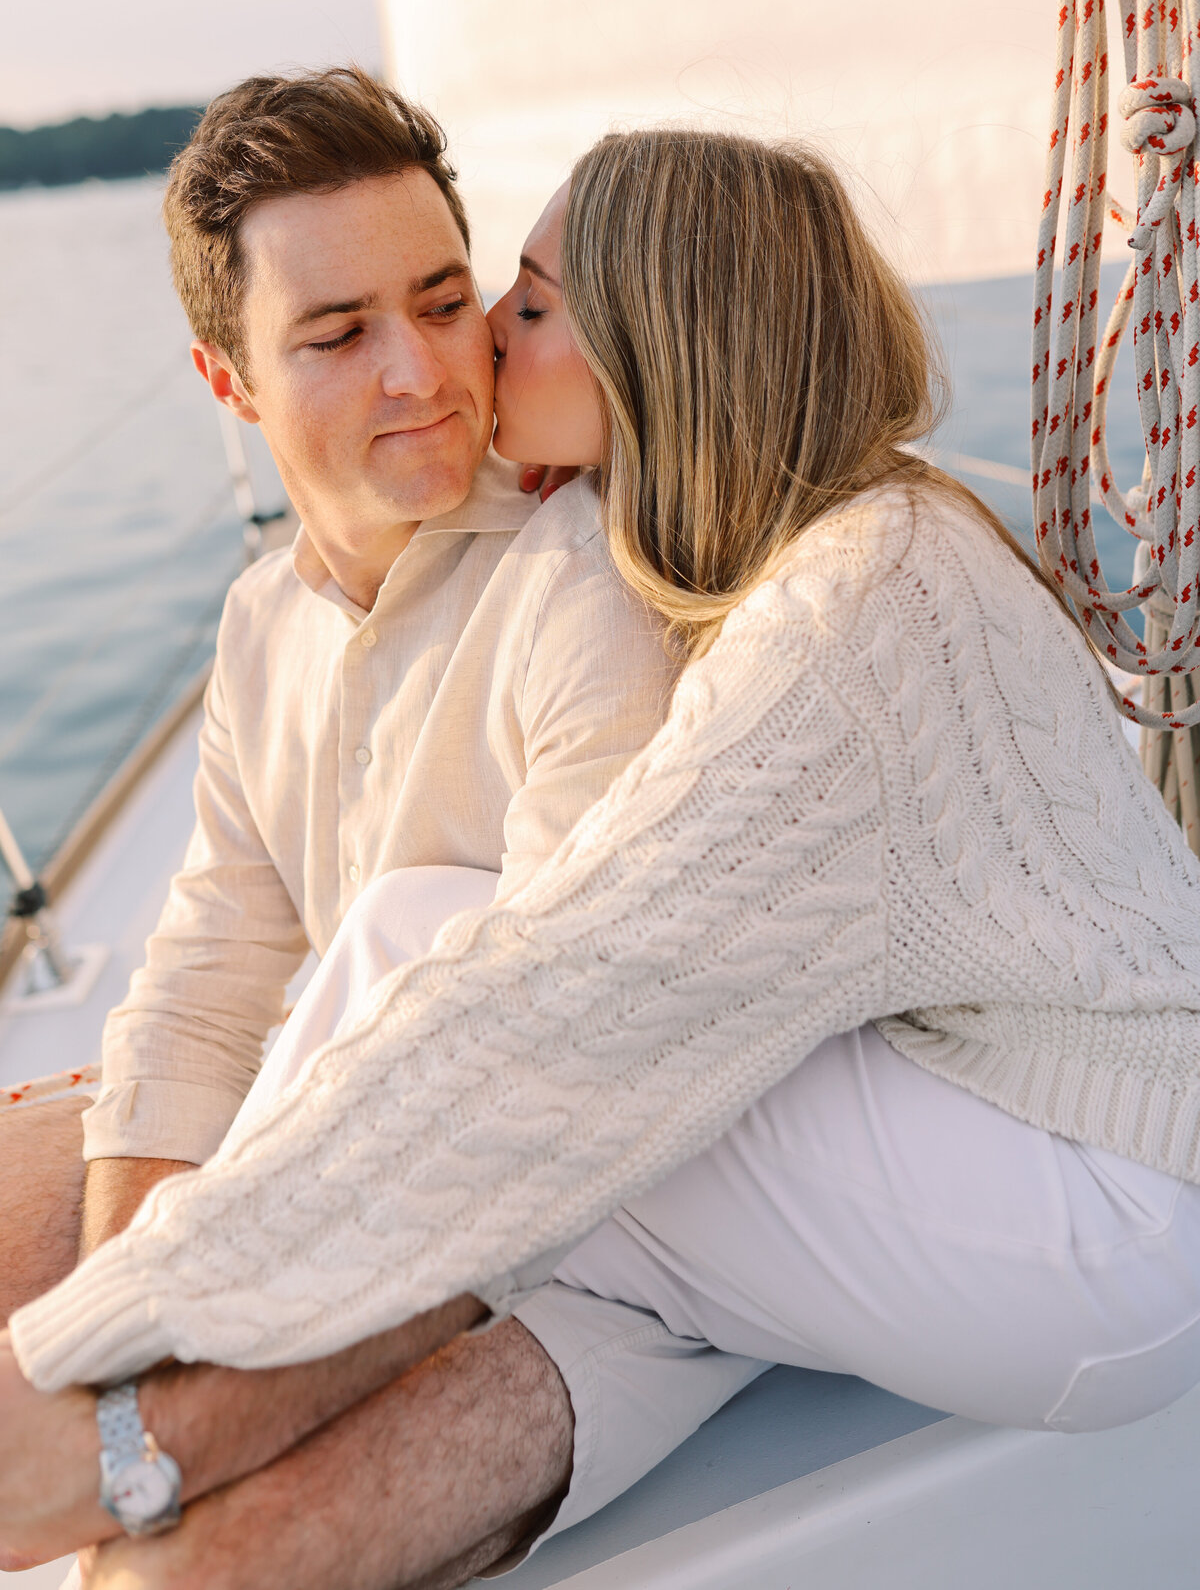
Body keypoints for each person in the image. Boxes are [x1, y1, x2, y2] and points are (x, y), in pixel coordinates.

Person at [5, 127, 1200, 1590]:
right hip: (1022, 1178)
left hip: (1105, 1227)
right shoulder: (829, 553)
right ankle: (131, 1430)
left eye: (516, 301)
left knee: (404, 944)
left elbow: (573, 997)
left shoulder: (845, 608)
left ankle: (111, 1446)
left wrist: (133, 1326)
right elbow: (251, 958)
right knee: (407, 964)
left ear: (658, 341)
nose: (475, 354)